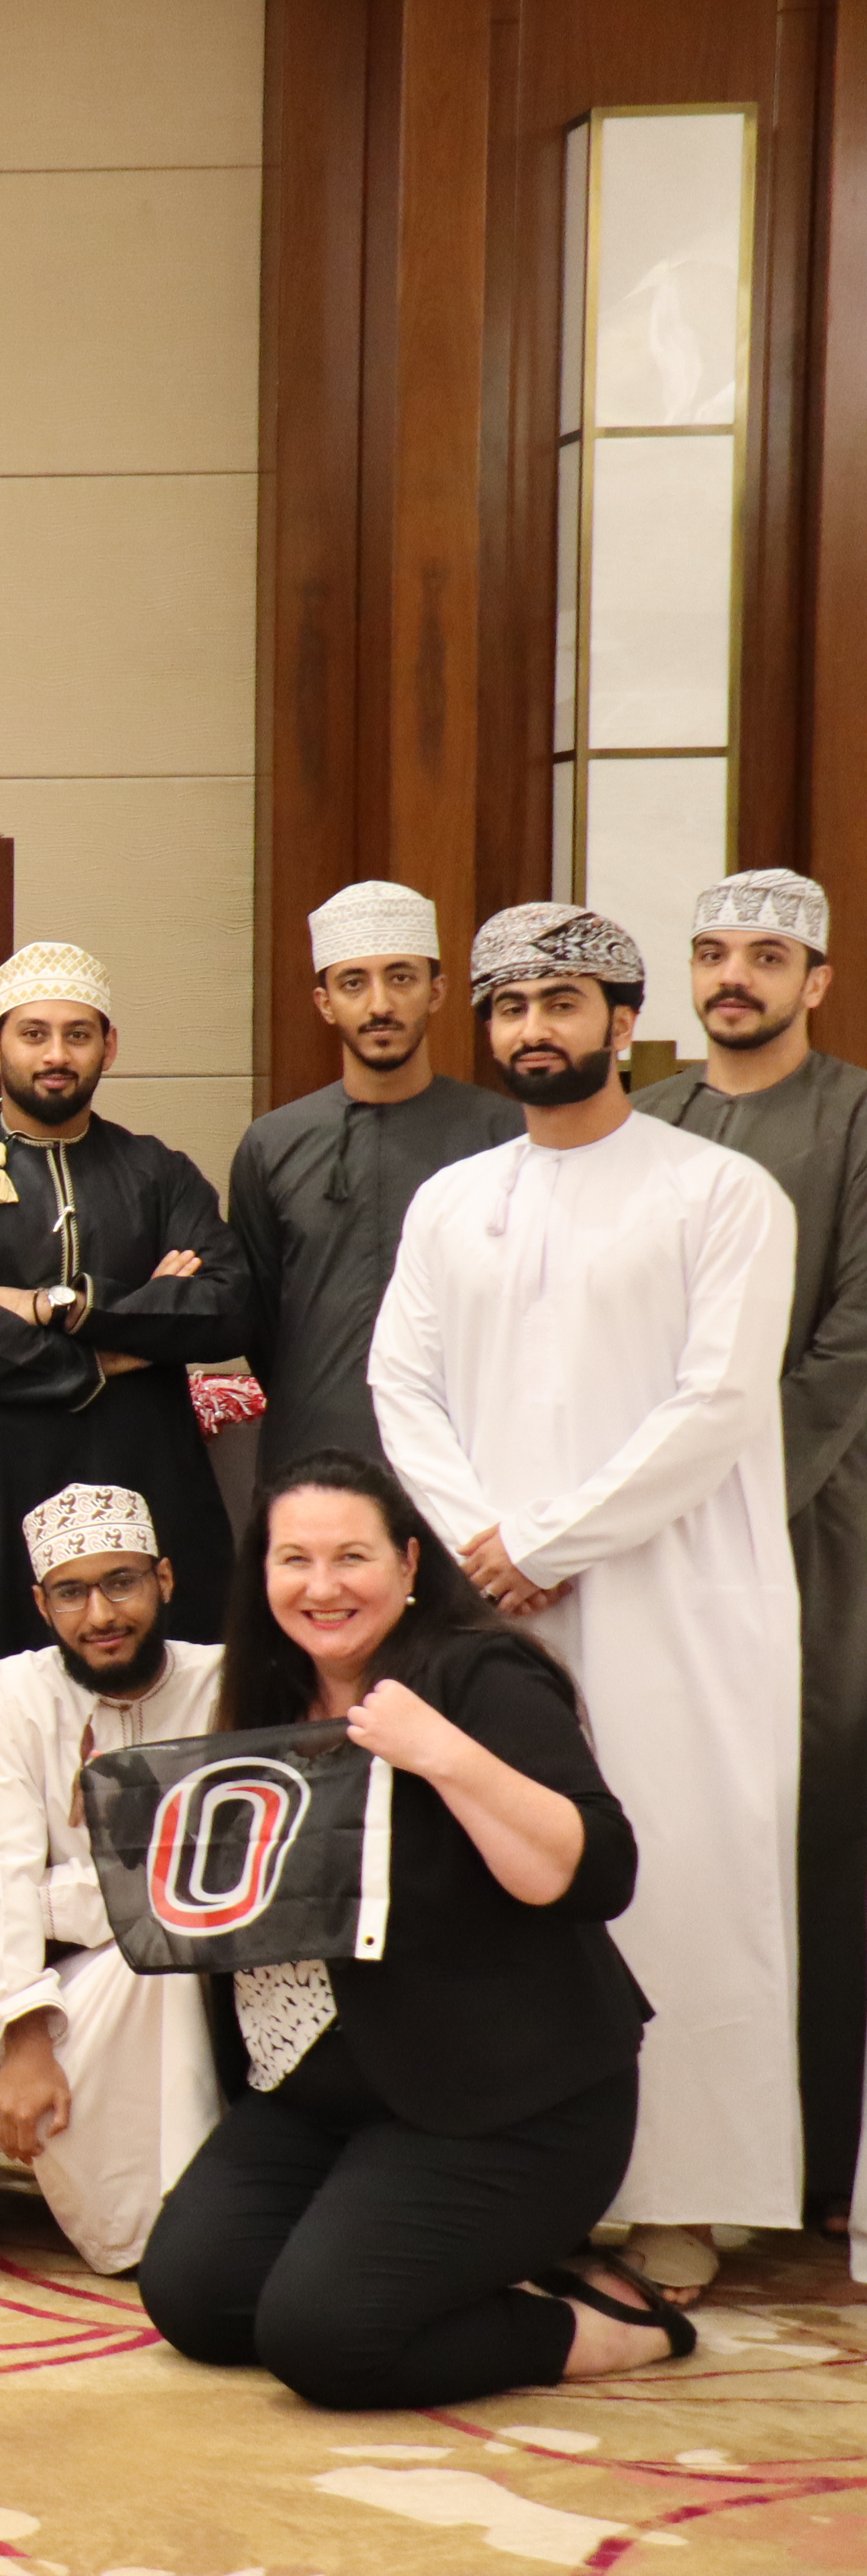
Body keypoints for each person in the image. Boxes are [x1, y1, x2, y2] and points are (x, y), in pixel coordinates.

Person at [372, 900, 801, 2300]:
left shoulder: (720, 1193)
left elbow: (719, 1400)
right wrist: (482, 1539)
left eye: (564, 1002)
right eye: (509, 1005)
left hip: (674, 1594)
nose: (533, 1028)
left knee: (678, 1867)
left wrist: (551, 1535)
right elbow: (402, 1386)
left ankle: (687, 2193)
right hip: (495, 1595)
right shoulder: (455, 1199)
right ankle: (545, 2170)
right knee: (508, 1872)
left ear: (624, 1022)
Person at [139, 1452, 688, 2408]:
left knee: (324, 2342)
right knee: (198, 2301)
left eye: (351, 1557)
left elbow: (597, 1870)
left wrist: (440, 1754)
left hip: (508, 2102)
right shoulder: (264, 1694)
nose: (322, 1587)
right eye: (292, 1560)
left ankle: (604, 2329)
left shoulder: (480, 1672)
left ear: (406, 1563)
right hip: (333, 2095)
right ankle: (439, 2258)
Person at [630, 869, 867, 2235]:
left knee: (809, 1816)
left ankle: (815, 2162)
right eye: (714, 953)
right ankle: (666, 2161)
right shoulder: (648, 1122)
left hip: (808, 1518)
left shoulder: (856, 1119)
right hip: (653, 1527)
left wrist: (715, 1478)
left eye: (767, 956)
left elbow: (848, 1349)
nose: (736, 977)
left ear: (815, 979)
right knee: (668, 1824)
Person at [0, 942, 247, 1661]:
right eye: (34, 1033)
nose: (56, 1054)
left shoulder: (159, 1173)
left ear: (108, 1047)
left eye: (78, 1034)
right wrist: (119, 1347)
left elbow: (227, 1305)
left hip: (147, 1481)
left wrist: (65, 1304)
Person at [0, 1482, 224, 2275]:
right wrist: (27, 2041)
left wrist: (69, 1891)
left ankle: (194, 2229)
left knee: (179, 1950)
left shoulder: (226, 1683)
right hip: (67, 1989)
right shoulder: (11, 1695)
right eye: (72, 1592)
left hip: (213, 1981)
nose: (100, 1615)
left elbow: (231, 1880)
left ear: (164, 1580)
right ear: (42, 1605)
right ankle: (159, 2237)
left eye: (122, 1583)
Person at [225, 882, 517, 1468]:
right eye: (353, 982)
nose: (379, 1003)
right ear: (325, 1002)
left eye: (401, 977)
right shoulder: (273, 1144)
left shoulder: (507, 1137)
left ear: (436, 992)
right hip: (313, 1456)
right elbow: (256, 1320)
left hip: (472, 1463)